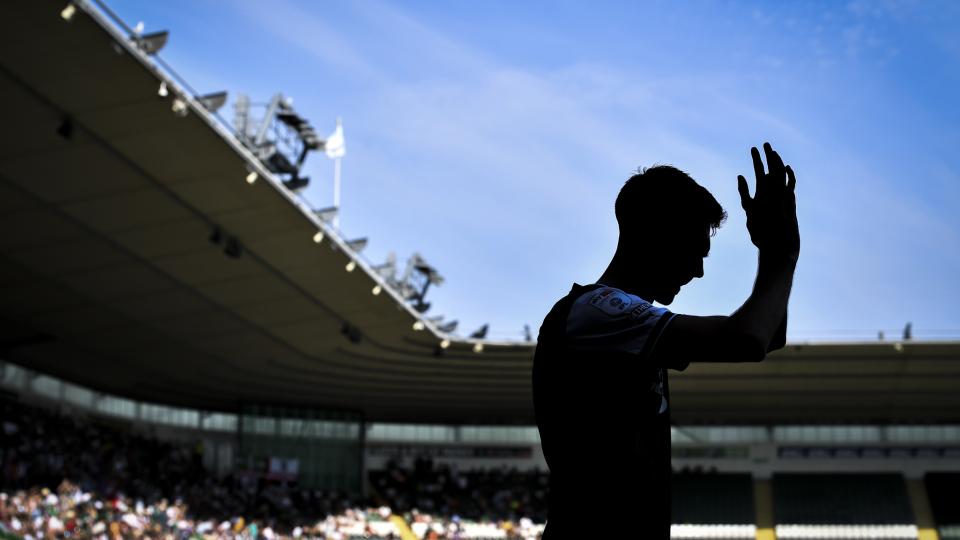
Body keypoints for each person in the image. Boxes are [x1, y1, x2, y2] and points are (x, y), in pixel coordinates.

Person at [532, 142, 799, 538]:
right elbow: (748, 339)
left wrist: (772, 249)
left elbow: (767, 335)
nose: (698, 271)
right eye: (695, 252)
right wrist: (782, 251)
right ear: (654, 235)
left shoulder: (624, 322)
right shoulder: (597, 312)